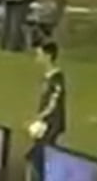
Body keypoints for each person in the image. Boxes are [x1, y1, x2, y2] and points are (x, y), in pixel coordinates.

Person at [27, 41, 67, 181]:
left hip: (51, 125)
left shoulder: (57, 79)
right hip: (44, 124)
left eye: (40, 54)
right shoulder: (48, 76)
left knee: (39, 158)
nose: (37, 57)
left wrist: (38, 117)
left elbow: (53, 104)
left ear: (48, 56)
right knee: (37, 157)